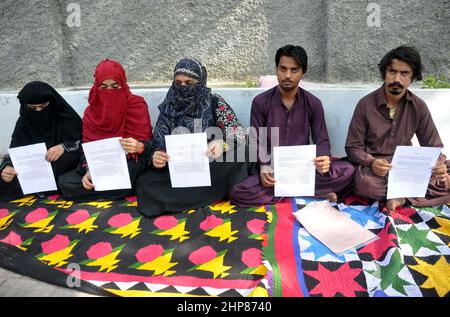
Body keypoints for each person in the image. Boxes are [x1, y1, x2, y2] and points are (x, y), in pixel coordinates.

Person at [229, 45, 355, 207]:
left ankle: (288, 193)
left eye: (294, 70)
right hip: (274, 169)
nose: (287, 75)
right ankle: (312, 195)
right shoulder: (261, 102)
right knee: (237, 191)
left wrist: (324, 158)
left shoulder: (313, 103)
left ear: (303, 72)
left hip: (303, 168)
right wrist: (264, 166)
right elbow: (256, 141)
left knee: (348, 172)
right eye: (283, 69)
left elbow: (321, 139)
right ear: (276, 70)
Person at [135, 58, 253, 217]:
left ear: (200, 81)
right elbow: (157, 142)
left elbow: (238, 133)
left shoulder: (214, 102)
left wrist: (223, 143)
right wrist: (156, 157)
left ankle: (184, 198)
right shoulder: (169, 105)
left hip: (210, 166)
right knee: (144, 182)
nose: (183, 87)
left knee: (243, 153)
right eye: (178, 83)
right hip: (177, 170)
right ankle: (209, 194)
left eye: (189, 83)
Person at [345, 46, 449, 211]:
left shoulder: (418, 106)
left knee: (444, 176)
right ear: (384, 73)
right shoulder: (365, 105)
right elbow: (352, 147)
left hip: (407, 167)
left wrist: (438, 165)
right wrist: (371, 162)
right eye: (392, 72)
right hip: (377, 170)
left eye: (404, 73)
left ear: (413, 76)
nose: (397, 79)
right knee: (366, 185)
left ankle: (400, 196)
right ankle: (407, 194)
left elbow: (433, 145)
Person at [58, 59, 153, 199]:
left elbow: (150, 145)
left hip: (131, 163)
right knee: (65, 182)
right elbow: (87, 148)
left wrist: (140, 147)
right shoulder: (91, 112)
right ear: (96, 87)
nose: (109, 92)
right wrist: (89, 169)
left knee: (138, 176)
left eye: (115, 86)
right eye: (103, 87)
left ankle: (108, 188)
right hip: (101, 165)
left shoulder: (136, 105)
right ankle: (118, 189)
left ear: (123, 84)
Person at [0, 81, 82, 200]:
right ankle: (44, 186)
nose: (38, 111)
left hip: (60, 164)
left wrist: (63, 147)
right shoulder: (24, 121)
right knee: (5, 178)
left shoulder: (66, 117)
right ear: (25, 106)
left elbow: (82, 141)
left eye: (44, 106)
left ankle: (39, 187)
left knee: (65, 166)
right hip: (33, 167)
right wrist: (7, 167)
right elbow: (15, 148)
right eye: (32, 108)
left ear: (52, 102)